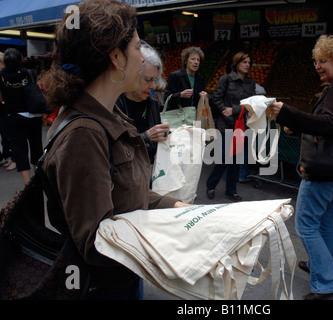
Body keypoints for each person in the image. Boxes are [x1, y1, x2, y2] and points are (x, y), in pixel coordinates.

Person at [42, 0, 190, 300]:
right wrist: (174, 239)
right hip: (105, 289)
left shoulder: (108, 114)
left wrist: (175, 207)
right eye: (137, 47)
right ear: (116, 57)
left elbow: (123, 194)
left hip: (123, 280)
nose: (142, 56)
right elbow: (99, 240)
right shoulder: (85, 133)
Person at [268, 35, 333, 300]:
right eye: (316, 61)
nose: (318, 66)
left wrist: (285, 111)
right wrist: (297, 126)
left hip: (324, 171)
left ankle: (326, 284)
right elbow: (328, 124)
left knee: (306, 224)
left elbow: (330, 124)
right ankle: (320, 265)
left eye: (324, 60)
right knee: (321, 223)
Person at [206, 51, 256, 201]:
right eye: (244, 62)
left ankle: (231, 190)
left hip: (241, 126)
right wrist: (224, 110)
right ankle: (211, 185)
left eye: (249, 62)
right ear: (236, 63)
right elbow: (216, 98)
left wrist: (233, 110)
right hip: (225, 125)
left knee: (236, 160)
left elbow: (251, 104)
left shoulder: (250, 83)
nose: (247, 65)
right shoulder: (225, 79)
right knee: (223, 158)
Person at [116, 41, 169, 164]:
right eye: (149, 79)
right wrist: (146, 137)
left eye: (155, 80)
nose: (153, 85)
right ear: (133, 75)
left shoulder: (153, 103)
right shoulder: (116, 106)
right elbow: (116, 148)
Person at [0, 48, 42, 183]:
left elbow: (0, 99)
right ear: (21, 60)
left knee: (20, 150)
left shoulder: (1, 76)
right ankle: (39, 178)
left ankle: (27, 184)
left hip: (14, 116)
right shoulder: (29, 73)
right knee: (36, 147)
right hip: (34, 116)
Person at [163, 46, 206, 111]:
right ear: (186, 61)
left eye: (198, 60)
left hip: (195, 116)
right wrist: (180, 95)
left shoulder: (200, 79)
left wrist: (204, 96)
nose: (196, 62)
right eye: (193, 59)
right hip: (179, 117)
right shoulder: (175, 76)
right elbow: (166, 98)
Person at [0, 51, 14, 169]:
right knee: (6, 135)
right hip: (5, 109)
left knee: (8, 135)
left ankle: (12, 158)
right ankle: (7, 156)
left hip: (6, 109)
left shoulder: (5, 75)